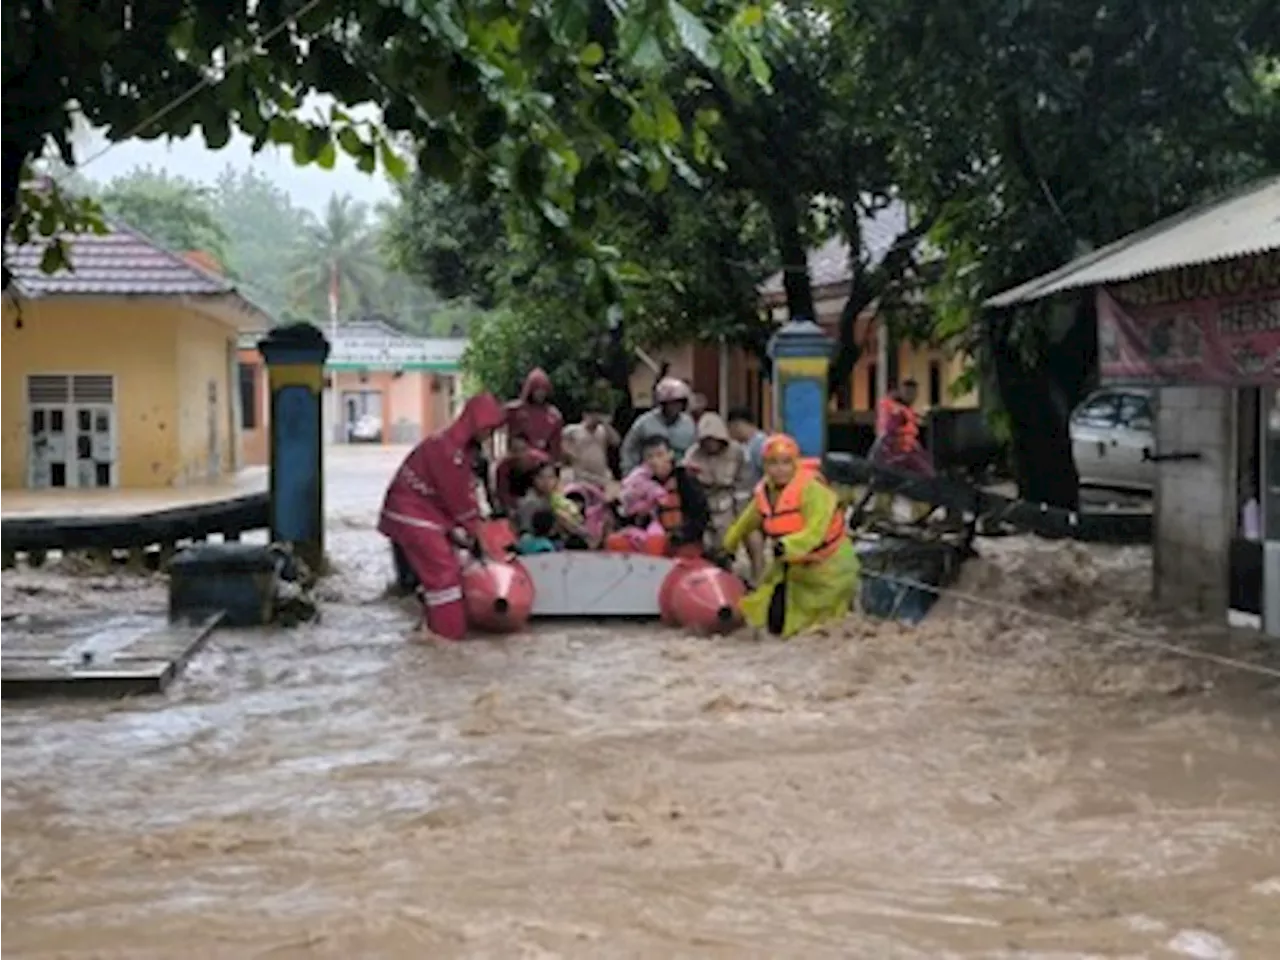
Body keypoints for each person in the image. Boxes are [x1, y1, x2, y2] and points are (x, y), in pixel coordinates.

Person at [378, 393, 506, 641]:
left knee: (442, 571)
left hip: (417, 515)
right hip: (415, 517)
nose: (489, 436)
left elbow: (462, 501)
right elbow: (461, 504)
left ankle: (431, 631)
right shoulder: (450, 453)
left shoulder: (453, 447)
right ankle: (447, 638)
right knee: (444, 575)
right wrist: (479, 537)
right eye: (488, 429)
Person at [722, 434, 860, 639]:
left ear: (795, 463)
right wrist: (728, 545)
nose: (779, 469)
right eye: (773, 463)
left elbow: (816, 530)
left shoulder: (813, 489)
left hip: (829, 565)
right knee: (773, 619)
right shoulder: (766, 492)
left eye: (786, 462)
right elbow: (746, 522)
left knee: (824, 622)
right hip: (793, 564)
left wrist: (787, 545)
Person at [608, 434, 710, 557]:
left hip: (682, 541)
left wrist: (681, 535)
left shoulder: (685, 479)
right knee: (614, 541)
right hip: (649, 539)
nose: (655, 461)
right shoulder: (641, 483)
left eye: (660, 455)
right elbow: (628, 515)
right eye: (649, 457)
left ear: (670, 455)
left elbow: (701, 515)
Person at [682, 412, 751, 553]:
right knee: (704, 545)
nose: (710, 444)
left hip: (726, 500)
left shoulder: (736, 452)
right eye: (706, 440)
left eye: (714, 439)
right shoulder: (692, 455)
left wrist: (741, 511)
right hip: (702, 502)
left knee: (725, 544)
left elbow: (743, 482)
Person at [870, 379, 934, 520]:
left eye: (914, 393)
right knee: (890, 481)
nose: (912, 396)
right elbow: (888, 431)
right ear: (901, 390)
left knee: (925, 476)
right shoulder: (893, 408)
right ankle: (882, 512)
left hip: (905, 452)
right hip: (892, 453)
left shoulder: (905, 409)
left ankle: (919, 514)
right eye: (909, 392)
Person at [620, 377, 697, 473]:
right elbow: (629, 449)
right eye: (670, 403)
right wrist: (629, 472)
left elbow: (694, 450)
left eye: (678, 402)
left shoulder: (689, 424)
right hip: (649, 474)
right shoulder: (644, 423)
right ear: (662, 404)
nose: (674, 407)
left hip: (680, 475)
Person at [726, 406, 767, 578]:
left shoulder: (761, 444)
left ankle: (759, 573)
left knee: (753, 536)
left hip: (758, 499)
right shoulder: (743, 446)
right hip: (746, 499)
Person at [515, 455, 591, 547]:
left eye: (550, 477)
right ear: (534, 480)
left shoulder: (557, 500)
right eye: (541, 477)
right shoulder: (529, 503)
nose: (546, 482)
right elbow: (526, 534)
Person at [506, 368, 564, 461]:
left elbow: (556, 446)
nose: (541, 393)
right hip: (518, 462)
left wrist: (556, 463)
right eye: (537, 389)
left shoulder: (554, 416)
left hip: (543, 463)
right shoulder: (514, 410)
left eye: (543, 389)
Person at [561, 404, 620, 491]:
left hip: (601, 474)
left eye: (597, 415)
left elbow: (616, 441)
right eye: (592, 415)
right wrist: (572, 455)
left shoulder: (603, 430)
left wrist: (606, 424)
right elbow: (563, 447)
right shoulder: (572, 430)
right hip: (581, 475)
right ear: (585, 415)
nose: (595, 418)